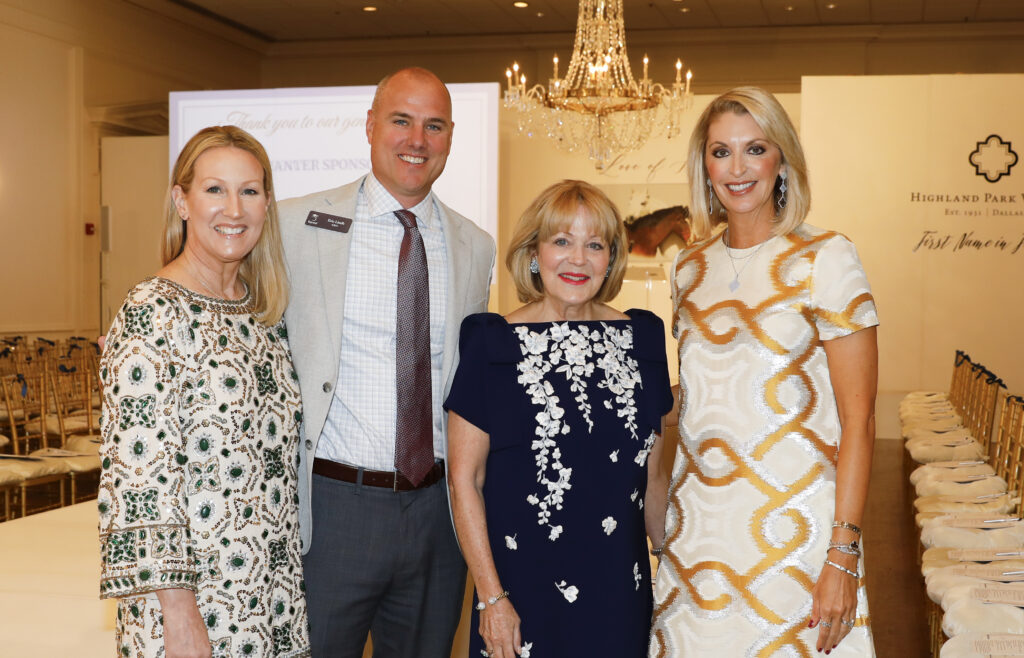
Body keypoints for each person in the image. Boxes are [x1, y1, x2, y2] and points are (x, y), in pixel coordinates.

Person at [647, 87, 879, 657]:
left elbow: (860, 421)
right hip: (699, 534)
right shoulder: (689, 268)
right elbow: (702, 395)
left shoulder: (826, 258)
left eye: (755, 149)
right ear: (704, 166)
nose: (738, 168)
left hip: (795, 536)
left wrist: (843, 553)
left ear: (782, 160)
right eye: (721, 152)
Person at [276, 67, 496, 657]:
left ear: (451, 137)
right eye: (401, 121)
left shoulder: (475, 246)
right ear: (371, 125)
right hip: (333, 510)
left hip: (437, 516)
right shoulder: (295, 224)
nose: (417, 140)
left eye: (434, 125)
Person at [98, 125, 310, 657]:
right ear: (182, 201)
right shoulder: (152, 313)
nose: (234, 209)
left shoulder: (264, 315)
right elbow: (139, 481)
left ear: (267, 204)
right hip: (195, 605)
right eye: (215, 189)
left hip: (271, 594)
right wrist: (180, 616)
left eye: (250, 191)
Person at [446, 180, 674, 658]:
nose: (578, 259)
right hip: (517, 600)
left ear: (611, 259)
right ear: (534, 253)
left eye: (595, 245)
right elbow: (464, 480)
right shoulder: (491, 344)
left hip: (620, 596)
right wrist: (491, 598)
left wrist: (673, 573)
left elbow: (653, 480)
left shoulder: (643, 341)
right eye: (562, 241)